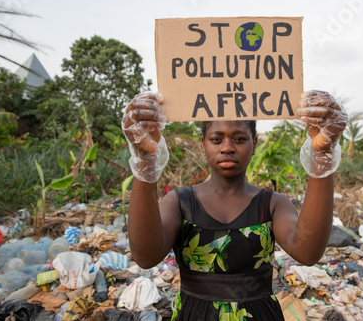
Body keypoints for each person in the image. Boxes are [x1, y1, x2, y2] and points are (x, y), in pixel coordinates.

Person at [122, 90, 347, 320]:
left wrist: (322, 154)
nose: (227, 147)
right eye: (216, 139)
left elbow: (307, 253)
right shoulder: (180, 202)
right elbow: (145, 257)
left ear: (255, 144)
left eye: (239, 139)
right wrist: (145, 160)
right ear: (203, 144)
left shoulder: (272, 204)